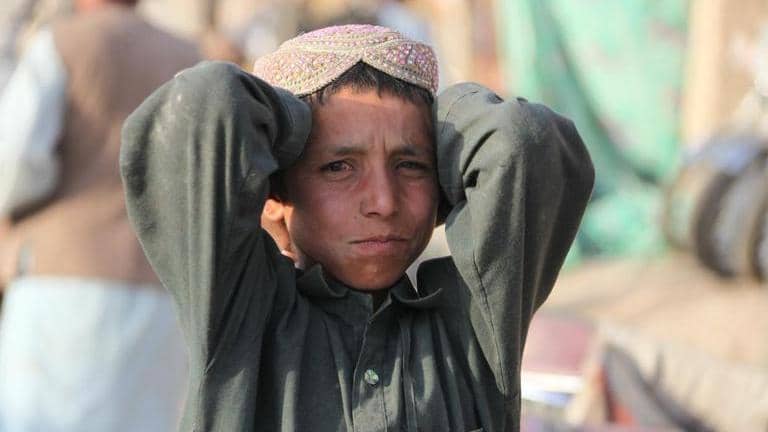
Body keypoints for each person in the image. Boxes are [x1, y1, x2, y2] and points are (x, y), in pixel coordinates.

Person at [121, 24, 594, 431]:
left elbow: (521, 142)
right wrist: (297, 119)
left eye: (411, 165)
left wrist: (438, 118)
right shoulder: (240, 314)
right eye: (338, 167)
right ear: (273, 197)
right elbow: (204, 105)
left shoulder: (472, 321)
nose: (384, 203)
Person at [0, 0, 199, 430]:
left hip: (63, 276)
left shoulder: (62, 43)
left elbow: (15, 164)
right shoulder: (189, 57)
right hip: (163, 283)